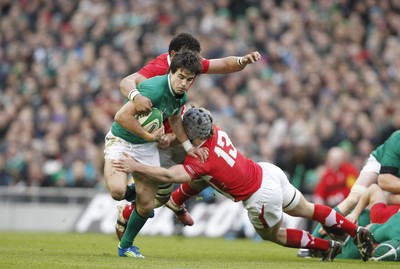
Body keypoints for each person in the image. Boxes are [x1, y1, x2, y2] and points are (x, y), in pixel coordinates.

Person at [112, 107, 375, 261]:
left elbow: (171, 177)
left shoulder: (202, 159)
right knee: (306, 208)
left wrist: (136, 167)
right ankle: (355, 231)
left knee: (273, 235)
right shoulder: (218, 133)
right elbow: (197, 182)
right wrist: (179, 204)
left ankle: (326, 247)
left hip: (260, 195)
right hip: (267, 172)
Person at [115, 33, 261, 238]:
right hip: (156, 136)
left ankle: (175, 202)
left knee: (205, 167)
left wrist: (242, 61)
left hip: (176, 130)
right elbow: (127, 81)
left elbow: (224, 65)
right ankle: (131, 209)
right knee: (154, 195)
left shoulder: (190, 62)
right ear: (173, 55)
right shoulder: (157, 69)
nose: (195, 64)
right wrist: (136, 97)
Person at [104, 49, 208, 258]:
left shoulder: (181, 95)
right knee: (117, 191)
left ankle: (125, 246)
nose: (184, 83)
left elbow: (176, 119)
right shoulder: (153, 89)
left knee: (147, 204)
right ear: (172, 71)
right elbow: (120, 117)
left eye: (189, 79)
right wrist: (149, 136)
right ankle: (133, 197)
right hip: (121, 141)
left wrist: (189, 148)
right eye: (180, 77)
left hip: (145, 148)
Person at [298, 129, 400, 258]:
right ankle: (311, 242)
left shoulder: (347, 169)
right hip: (380, 166)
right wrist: (355, 212)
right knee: (354, 198)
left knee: (380, 200)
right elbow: (384, 180)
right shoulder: (398, 140)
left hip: (393, 179)